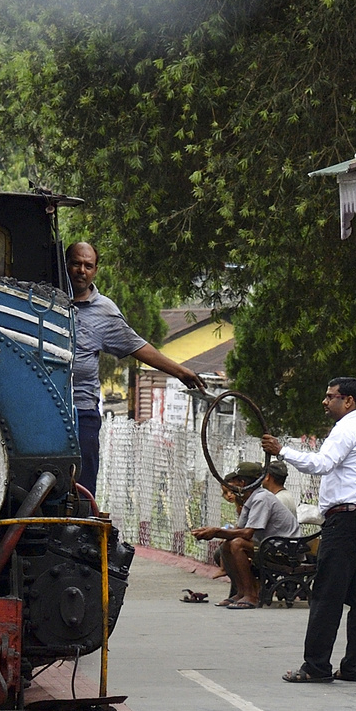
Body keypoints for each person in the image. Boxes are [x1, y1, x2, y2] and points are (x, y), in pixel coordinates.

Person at [261, 376, 356, 684]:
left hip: (344, 523)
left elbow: (321, 464)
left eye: (331, 396)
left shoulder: (346, 430)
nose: (325, 401)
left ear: (349, 401)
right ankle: (353, 666)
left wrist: (283, 450)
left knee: (327, 595)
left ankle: (316, 665)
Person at [65, 241, 206, 497]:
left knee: (82, 484)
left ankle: (82, 526)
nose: (81, 271)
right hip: (45, 407)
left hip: (82, 409)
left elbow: (137, 345)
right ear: (66, 265)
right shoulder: (44, 299)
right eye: (76, 264)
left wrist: (179, 371)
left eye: (88, 265)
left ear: (96, 270)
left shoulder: (104, 310)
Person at [190, 461, 302, 608]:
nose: (230, 487)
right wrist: (217, 534)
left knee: (237, 545)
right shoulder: (250, 499)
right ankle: (241, 592)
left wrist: (216, 531)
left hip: (286, 550)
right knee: (227, 545)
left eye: (233, 482)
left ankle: (251, 595)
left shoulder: (261, 498)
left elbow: (248, 533)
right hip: (271, 546)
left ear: (242, 483)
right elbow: (240, 528)